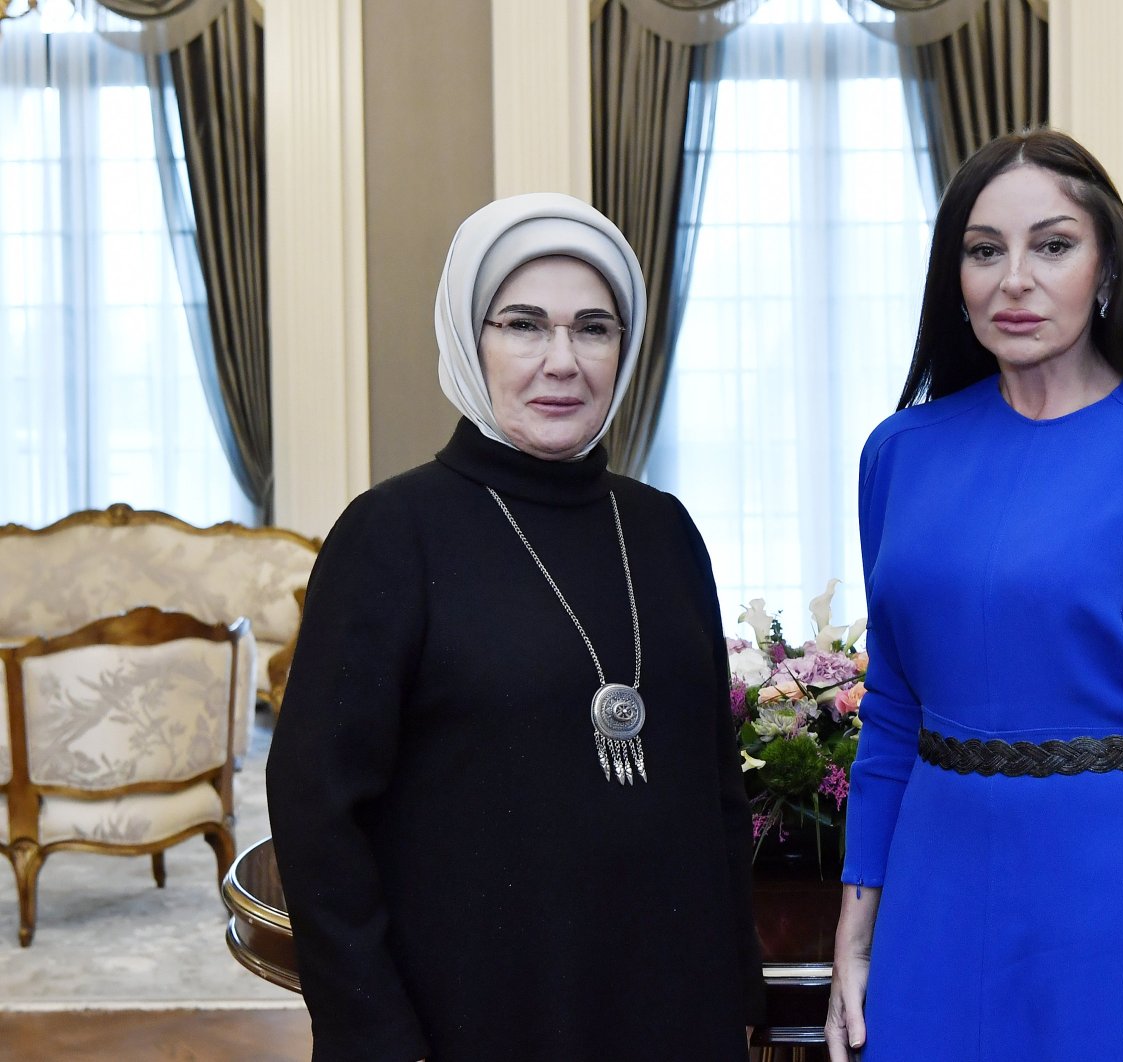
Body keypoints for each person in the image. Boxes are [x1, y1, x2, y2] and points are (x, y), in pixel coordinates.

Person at [267, 193, 764, 1062]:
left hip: (672, 1012)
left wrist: (732, 990)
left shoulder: (664, 528)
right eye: (525, 325)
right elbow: (319, 819)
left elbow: (714, 787)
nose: (562, 362)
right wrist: (372, 1036)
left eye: (594, 328)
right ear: (471, 338)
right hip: (471, 1015)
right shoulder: (391, 534)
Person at [824, 131, 1123, 1062]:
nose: (1013, 279)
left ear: (1106, 269)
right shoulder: (898, 454)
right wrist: (854, 933)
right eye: (985, 251)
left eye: (1052, 246)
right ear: (957, 278)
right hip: (930, 888)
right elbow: (892, 712)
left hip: (1107, 887)